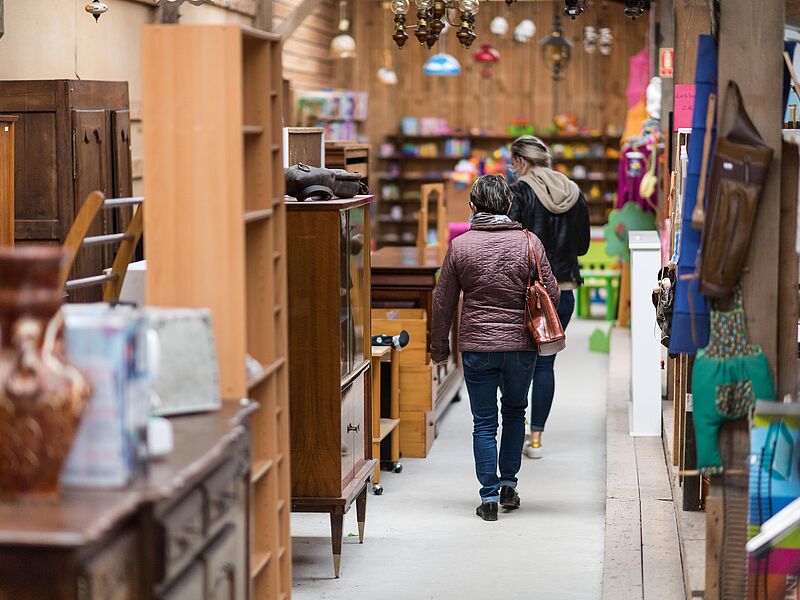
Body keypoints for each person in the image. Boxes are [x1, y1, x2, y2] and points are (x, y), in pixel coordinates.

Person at [431, 174, 560, 521]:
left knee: (484, 422)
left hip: (477, 345)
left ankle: (488, 497)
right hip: (521, 345)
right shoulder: (529, 243)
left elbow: (443, 302)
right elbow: (553, 292)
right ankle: (508, 485)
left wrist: (439, 349)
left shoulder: (460, 246)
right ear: (509, 204)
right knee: (515, 411)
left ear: (473, 206)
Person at [508, 136, 591, 460]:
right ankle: (536, 439)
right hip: (564, 291)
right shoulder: (574, 191)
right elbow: (582, 246)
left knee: (516, 363)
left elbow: (512, 243)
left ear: (521, 161)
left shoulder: (519, 192)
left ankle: (517, 426)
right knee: (546, 364)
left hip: (528, 293)